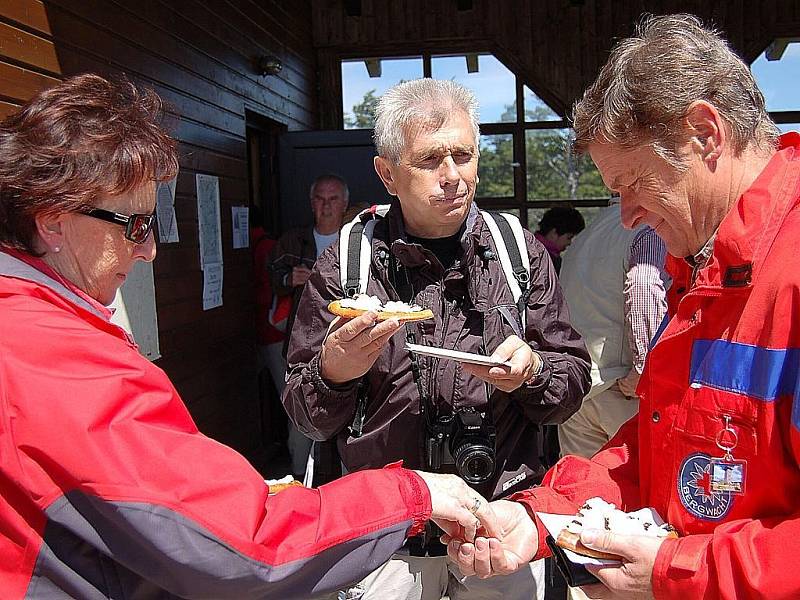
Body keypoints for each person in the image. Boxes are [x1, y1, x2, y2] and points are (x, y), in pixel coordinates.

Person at [0, 74, 503, 598]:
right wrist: (412, 492)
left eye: (465, 155)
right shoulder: (55, 357)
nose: (149, 251)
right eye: (135, 226)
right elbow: (240, 543)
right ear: (52, 222)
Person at [446, 13, 800, 600]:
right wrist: (542, 518)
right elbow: (659, 443)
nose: (629, 215)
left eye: (635, 182)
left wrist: (673, 571)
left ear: (705, 134)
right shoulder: (703, 267)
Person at [282, 78, 591, 600]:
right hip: (384, 540)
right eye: (430, 160)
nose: (453, 176)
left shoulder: (519, 253)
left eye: (464, 155)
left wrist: (533, 373)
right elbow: (304, 413)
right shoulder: (348, 264)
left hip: (497, 526)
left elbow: (571, 383)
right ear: (387, 173)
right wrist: (334, 372)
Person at [558, 200, 669, 459]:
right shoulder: (647, 228)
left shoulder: (588, 233)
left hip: (580, 389)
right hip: (624, 392)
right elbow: (644, 283)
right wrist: (644, 371)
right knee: (639, 494)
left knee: (579, 493)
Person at [270, 173, 349, 480]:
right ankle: (298, 487)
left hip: (348, 345)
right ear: (311, 203)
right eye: (320, 199)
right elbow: (272, 277)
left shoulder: (357, 241)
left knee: (349, 416)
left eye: (333, 199)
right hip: (302, 344)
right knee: (300, 419)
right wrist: (289, 279)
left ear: (344, 204)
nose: (326, 206)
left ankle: (347, 488)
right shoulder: (293, 241)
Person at [534, 206, 585, 273]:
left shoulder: (532, 248)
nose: (569, 243)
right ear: (553, 233)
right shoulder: (542, 258)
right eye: (569, 237)